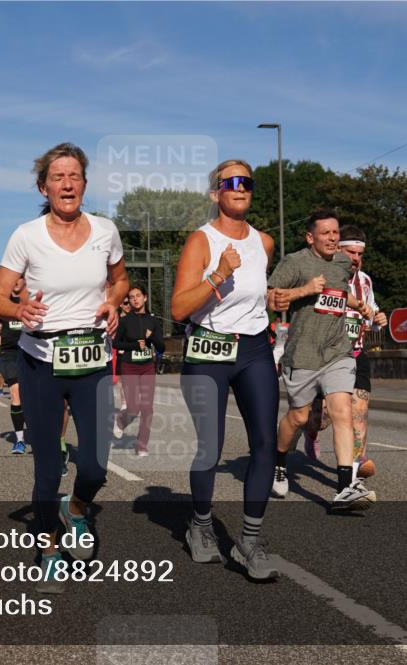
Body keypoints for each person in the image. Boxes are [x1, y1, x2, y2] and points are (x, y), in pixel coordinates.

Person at [0, 142, 128, 593]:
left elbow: (120, 278)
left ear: (84, 184)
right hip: (41, 361)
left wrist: (113, 301)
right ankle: (48, 547)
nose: (67, 184)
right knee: (48, 467)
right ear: (43, 186)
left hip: (91, 360)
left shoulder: (106, 230)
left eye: (75, 176)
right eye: (57, 177)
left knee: (95, 463)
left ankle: (78, 507)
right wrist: (18, 310)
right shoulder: (26, 235)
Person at [170, 159, 280, 579]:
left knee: (265, 443)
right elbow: (179, 307)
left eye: (247, 182)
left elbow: (255, 297)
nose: (241, 188)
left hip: (253, 349)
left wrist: (278, 298)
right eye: (231, 182)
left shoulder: (264, 243)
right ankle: (200, 526)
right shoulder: (202, 240)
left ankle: (249, 542)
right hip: (207, 350)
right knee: (211, 446)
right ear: (215, 193)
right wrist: (219, 274)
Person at [267, 210, 376, 511]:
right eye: (326, 233)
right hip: (303, 354)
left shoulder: (343, 262)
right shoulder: (295, 262)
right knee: (299, 418)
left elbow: (337, 294)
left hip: (337, 351)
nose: (332, 238)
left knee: (342, 411)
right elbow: (271, 299)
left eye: (336, 233)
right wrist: (304, 289)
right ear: (310, 237)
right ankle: (279, 461)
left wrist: (360, 305)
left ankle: (344, 488)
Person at [338, 225, 388, 478]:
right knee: (318, 419)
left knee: (359, 413)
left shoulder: (365, 281)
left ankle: (355, 467)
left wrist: (377, 319)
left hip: (356, 355)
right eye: (350, 252)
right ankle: (310, 433)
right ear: (337, 250)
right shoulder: (324, 276)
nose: (356, 259)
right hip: (326, 358)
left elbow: (369, 314)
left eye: (359, 254)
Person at [112, 285, 165, 456]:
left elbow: (161, 347)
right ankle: (120, 420)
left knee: (147, 409)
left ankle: (141, 445)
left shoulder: (153, 321)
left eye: (138, 296)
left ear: (145, 298)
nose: (135, 299)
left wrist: (153, 337)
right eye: (131, 297)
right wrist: (134, 345)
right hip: (129, 366)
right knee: (133, 408)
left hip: (147, 367)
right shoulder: (125, 320)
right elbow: (116, 343)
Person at [0, 277, 29, 454]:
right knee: (16, 394)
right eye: (12, 279)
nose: (14, 282)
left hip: (31, 351)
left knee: (31, 397)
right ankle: (20, 440)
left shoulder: (32, 300)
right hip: (9, 353)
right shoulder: (3, 303)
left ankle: (35, 429)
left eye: (18, 279)